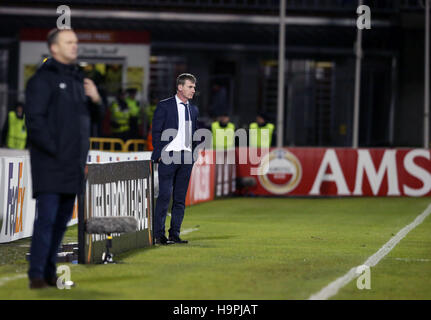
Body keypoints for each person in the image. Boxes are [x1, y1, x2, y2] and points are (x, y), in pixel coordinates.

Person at [24, 28, 103, 289]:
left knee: (60, 223)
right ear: (54, 48)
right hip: (50, 164)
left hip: (73, 165)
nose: (74, 46)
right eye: (69, 42)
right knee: (46, 219)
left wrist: (95, 100)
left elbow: (95, 121)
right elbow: (35, 123)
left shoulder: (79, 80)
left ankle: (48, 272)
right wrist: (57, 153)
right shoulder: (41, 80)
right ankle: (37, 275)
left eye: (76, 42)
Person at [151, 73, 200, 245]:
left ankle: (175, 234)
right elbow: (156, 131)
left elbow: (195, 134)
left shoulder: (193, 109)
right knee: (164, 196)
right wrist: (158, 154)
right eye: (190, 86)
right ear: (180, 87)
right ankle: (158, 234)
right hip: (169, 156)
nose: (193, 90)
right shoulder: (164, 106)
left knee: (180, 198)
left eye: (194, 87)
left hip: (186, 158)